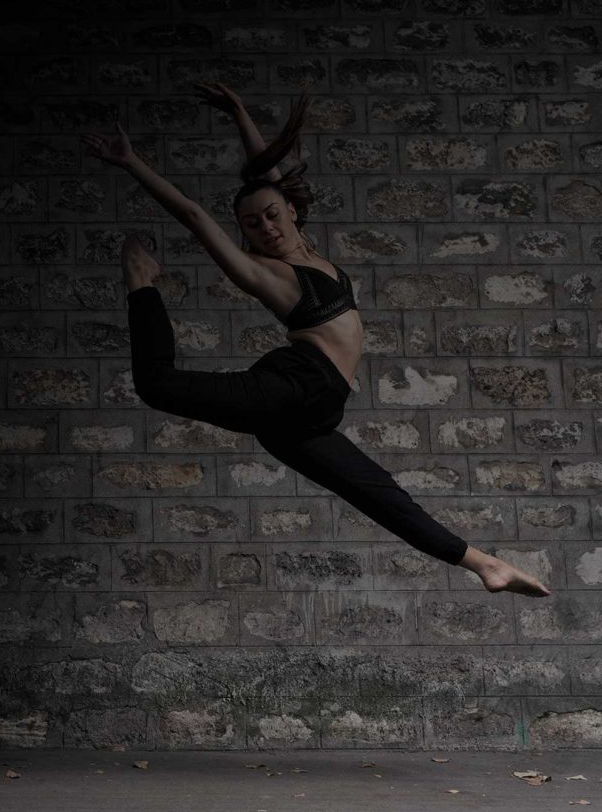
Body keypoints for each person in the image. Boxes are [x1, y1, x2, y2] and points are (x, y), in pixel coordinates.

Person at [82, 83, 551, 598]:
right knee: (156, 384)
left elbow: (266, 173)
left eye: (272, 214)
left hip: (312, 412)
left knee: (376, 493)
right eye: (251, 224)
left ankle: (485, 565)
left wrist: (240, 111)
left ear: (293, 211)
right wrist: (132, 163)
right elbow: (195, 215)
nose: (265, 226)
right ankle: (140, 278)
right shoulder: (267, 274)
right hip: (294, 386)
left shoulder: (309, 251)